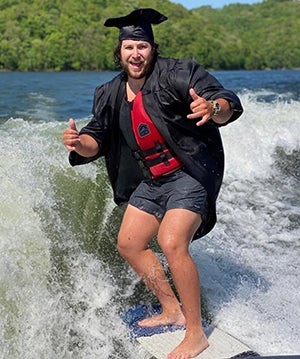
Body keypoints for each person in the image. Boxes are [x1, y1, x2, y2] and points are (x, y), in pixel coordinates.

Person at [62, 8, 243, 359]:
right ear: (120, 52)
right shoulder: (110, 92)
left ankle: (195, 333)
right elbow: (95, 139)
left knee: (171, 242)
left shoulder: (179, 74)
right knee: (129, 243)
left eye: (142, 46)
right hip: (153, 180)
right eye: (129, 47)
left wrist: (214, 107)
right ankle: (171, 308)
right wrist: (77, 142)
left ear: (151, 48)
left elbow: (225, 100)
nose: (135, 53)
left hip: (191, 173)